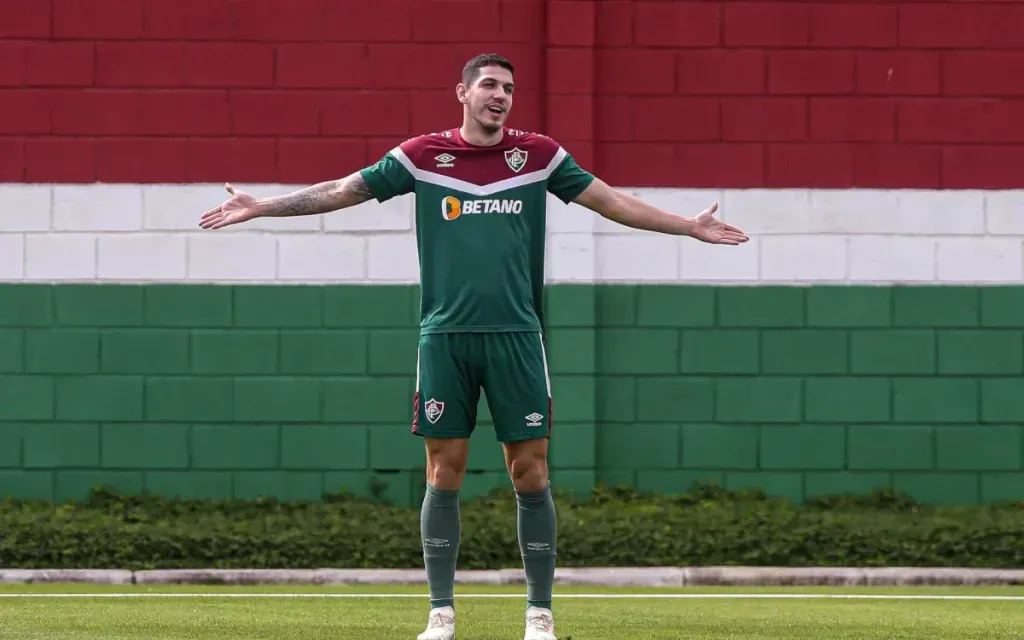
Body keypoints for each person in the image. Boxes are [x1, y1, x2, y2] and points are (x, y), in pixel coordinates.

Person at [199, 52, 748, 640]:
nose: (500, 95)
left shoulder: (539, 157)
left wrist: (686, 225)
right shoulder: (422, 157)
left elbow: (612, 202)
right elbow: (345, 189)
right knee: (444, 470)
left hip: (517, 338)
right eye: (488, 85)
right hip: (444, 339)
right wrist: (261, 207)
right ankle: (441, 613)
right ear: (461, 93)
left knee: (530, 473)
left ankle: (539, 614)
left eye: (508, 88)